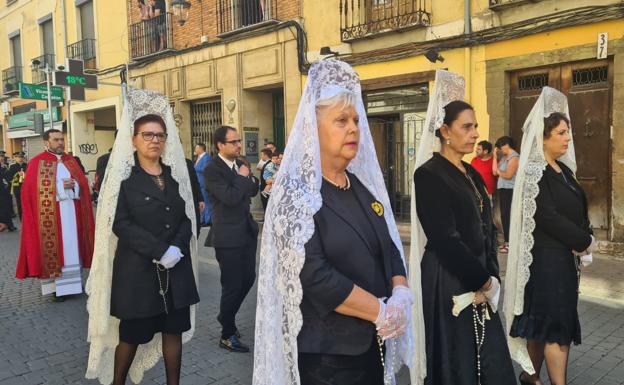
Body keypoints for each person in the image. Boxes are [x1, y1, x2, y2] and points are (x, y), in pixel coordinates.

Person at [253, 60, 419, 385]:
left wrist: (400, 293)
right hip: (329, 357)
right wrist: (381, 311)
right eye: (341, 120)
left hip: (372, 342)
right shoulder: (296, 195)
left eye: (356, 120)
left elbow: (389, 245)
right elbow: (314, 273)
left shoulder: (358, 185)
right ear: (312, 130)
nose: (354, 128)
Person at [86, 89, 200, 385]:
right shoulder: (123, 178)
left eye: (160, 135)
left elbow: (188, 216)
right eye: (147, 135)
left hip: (176, 270)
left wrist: (177, 247)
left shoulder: (177, 173)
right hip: (138, 272)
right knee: (132, 336)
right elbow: (120, 223)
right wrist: (160, 250)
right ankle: (118, 382)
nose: (155, 140)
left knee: (173, 330)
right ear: (133, 139)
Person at [411, 70, 516, 385]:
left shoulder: (470, 171)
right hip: (449, 280)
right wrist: (483, 280)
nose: (474, 134)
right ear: (445, 130)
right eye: (466, 127)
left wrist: (493, 275)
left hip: (479, 275)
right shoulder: (429, 174)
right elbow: (445, 239)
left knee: (490, 362)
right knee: (458, 363)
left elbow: (486, 227)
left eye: (475, 127)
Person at [503, 87, 596, 385]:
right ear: (544, 137)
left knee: (543, 326)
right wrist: (584, 242)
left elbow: (578, 209)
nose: (568, 137)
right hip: (545, 262)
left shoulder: (564, 171)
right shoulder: (535, 172)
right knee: (554, 328)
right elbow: (548, 216)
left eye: (567, 131)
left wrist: (585, 234)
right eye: (561, 132)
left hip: (563, 263)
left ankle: (530, 377)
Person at [15, 129, 95, 301]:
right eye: (56, 140)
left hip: (72, 215)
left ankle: (74, 285)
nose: (60, 143)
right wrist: (59, 187)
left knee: (72, 248)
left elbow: (83, 185)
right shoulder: (37, 162)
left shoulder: (70, 161)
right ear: (46, 142)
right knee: (54, 249)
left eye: (62, 139)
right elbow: (30, 192)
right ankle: (56, 290)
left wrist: (74, 186)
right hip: (50, 218)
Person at [204, 125, 259, 353]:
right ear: (220, 145)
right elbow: (229, 197)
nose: (239, 145)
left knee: (248, 279)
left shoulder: (241, 164)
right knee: (232, 285)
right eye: (234, 142)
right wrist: (242, 178)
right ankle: (227, 334)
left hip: (246, 232)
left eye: (239, 141)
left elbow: (255, 189)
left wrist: (244, 178)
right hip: (227, 236)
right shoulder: (212, 169)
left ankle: (225, 316)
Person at [492, 135, 519, 253]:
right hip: (503, 189)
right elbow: (494, 171)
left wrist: (499, 172)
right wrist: (494, 156)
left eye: (500, 147)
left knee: (508, 215)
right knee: (504, 215)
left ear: (505, 145)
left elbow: (508, 175)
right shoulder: (504, 158)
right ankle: (507, 242)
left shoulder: (514, 157)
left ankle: (509, 243)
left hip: (510, 189)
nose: (500, 150)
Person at [193, 142, 212, 226]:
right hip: (198, 182)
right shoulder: (199, 157)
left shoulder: (206, 157)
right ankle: (202, 219)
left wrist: (194, 169)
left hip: (204, 183)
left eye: (196, 148)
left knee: (206, 201)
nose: (195, 149)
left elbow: (206, 169)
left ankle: (207, 220)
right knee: (201, 202)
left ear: (201, 148)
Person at [6, 151, 27, 220]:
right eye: (18, 157)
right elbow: (9, 177)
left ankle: (27, 216)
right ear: (15, 158)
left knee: (27, 202)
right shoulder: (12, 166)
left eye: (21, 157)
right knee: (19, 202)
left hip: (26, 187)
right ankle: (21, 217)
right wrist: (15, 179)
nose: (20, 158)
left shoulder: (27, 165)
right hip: (17, 187)